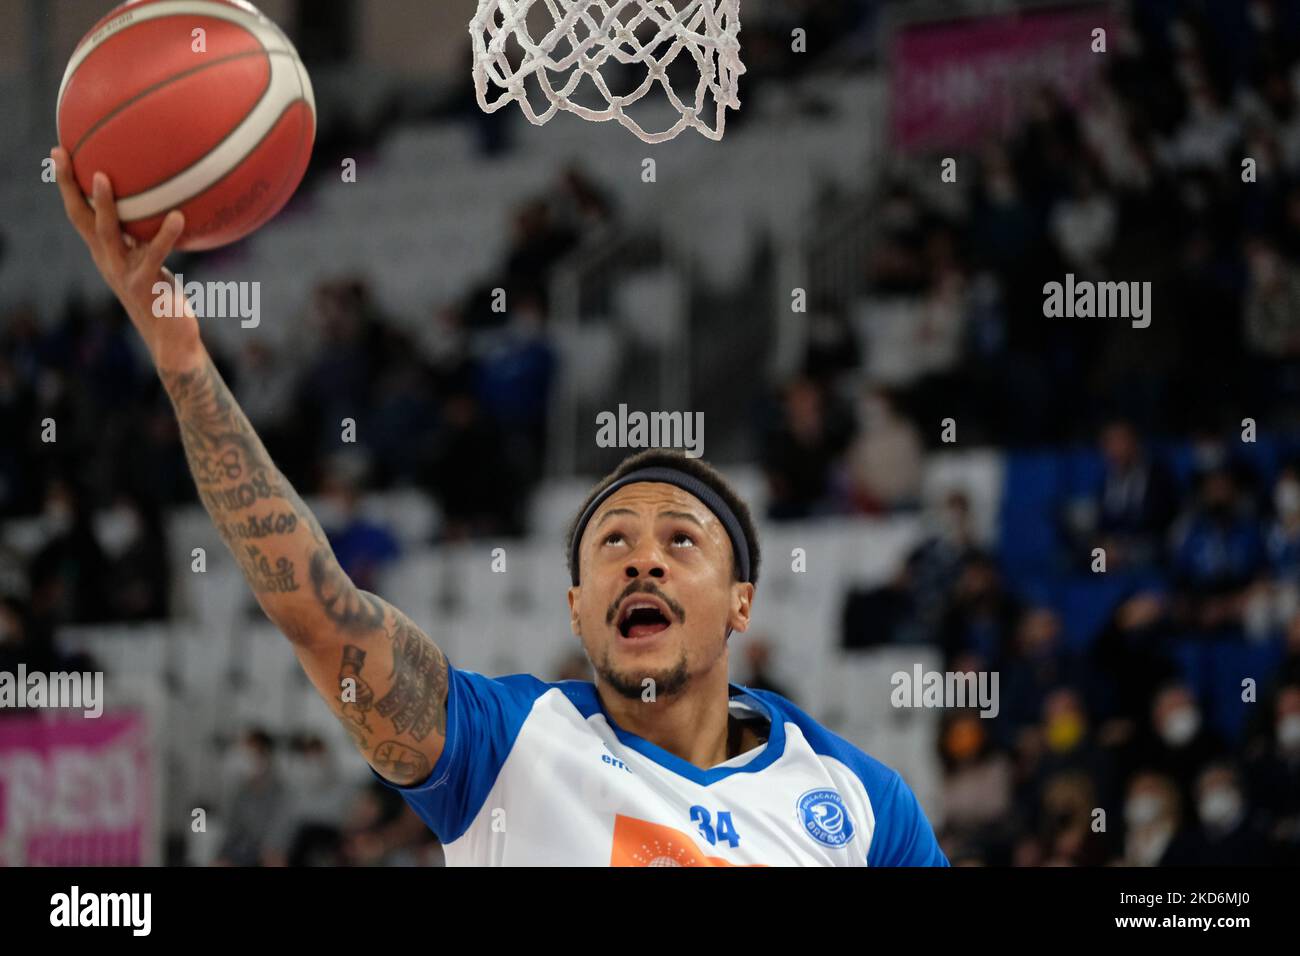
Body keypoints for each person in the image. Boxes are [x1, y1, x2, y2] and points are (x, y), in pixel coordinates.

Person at [55, 149, 946, 868]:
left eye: (682, 540)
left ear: (742, 600)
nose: (644, 559)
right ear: (576, 607)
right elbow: (317, 609)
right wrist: (182, 363)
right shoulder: (505, 745)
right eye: (614, 544)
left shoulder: (862, 806)